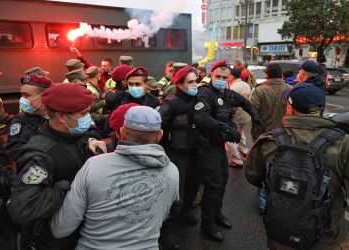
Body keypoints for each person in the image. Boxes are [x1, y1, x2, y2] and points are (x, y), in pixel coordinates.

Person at [245, 82, 349, 250]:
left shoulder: (268, 141)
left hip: (281, 236)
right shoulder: (343, 144)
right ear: (321, 109)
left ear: (290, 108)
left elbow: (253, 176)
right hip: (327, 239)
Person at [50, 106, 179, 250]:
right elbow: (162, 215)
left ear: (122, 133)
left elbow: (61, 228)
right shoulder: (172, 172)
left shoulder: (94, 166)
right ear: (160, 135)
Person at [7, 83, 107, 250]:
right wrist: (71, 184)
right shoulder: (40, 157)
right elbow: (24, 209)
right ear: (61, 117)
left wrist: (90, 141)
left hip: (77, 233)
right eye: (83, 113)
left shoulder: (72, 133)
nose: (88, 118)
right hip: (52, 240)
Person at [193, 60, 265, 242]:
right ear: (212, 75)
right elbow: (201, 117)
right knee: (212, 185)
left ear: (229, 78)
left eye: (225, 77)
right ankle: (207, 224)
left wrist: (255, 115)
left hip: (218, 147)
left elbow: (244, 101)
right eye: (218, 76)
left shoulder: (227, 93)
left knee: (223, 180)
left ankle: (217, 214)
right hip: (207, 147)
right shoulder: (205, 93)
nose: (221, 80)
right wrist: (226, 129)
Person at [157, 66, 200, 248]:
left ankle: (185, 212)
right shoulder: (171, 103)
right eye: (190, 82)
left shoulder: (198, 99)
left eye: (195, 81)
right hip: (175, 153)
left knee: (193, 185)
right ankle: (167, 231)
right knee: (175, 193)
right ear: (180, 84)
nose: (194, 85)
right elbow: (158, 125)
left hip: (194, 151)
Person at [250, 63, 292, 215]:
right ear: (281, 75)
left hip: (263, 134)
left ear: (267, 75)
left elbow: (252, 110)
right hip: (284, 134)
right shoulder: (290, 89)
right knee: (281, 166)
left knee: (264, 167)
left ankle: (263, 202)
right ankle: (279, 200)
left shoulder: (260, 90)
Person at [5, 74, 53, 161]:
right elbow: (14, 150)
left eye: (26, 95)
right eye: (22, 95)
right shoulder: (21, 121)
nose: (22, 99)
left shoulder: (59, 116)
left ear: (44, 96)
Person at [102, 67, 161, 137]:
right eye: (131, 84)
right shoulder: (120, 100)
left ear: (147, 84)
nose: (134, 87)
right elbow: (109, 129)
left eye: (138, 84)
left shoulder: (154, 101)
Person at [225, 68, 252, 168]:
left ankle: (237, 160)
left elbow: (230, 105)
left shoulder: (233, 87)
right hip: (245, 115)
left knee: (228, 137)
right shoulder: (246, 84)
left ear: (231, 76)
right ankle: (244, 151)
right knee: (240, 132)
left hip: (236, 116)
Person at [85, 66, 107, 131]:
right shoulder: (89, 89)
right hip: (94, 120)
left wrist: (103, 95)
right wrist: (104, 102)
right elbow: (89, 107)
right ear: (98, 76)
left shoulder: (91, 87)